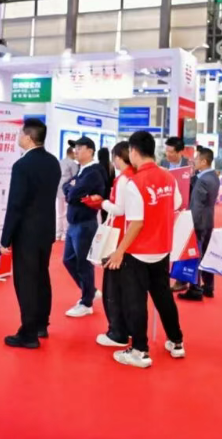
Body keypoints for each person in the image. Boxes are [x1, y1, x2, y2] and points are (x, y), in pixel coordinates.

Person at [105, 131, 185, 369]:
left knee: (135, 301)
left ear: (133, 152)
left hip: (139, 251)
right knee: (163, 297)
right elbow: (177, 203)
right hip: (162, 248)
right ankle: (177, 342)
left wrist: (120, 250)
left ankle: (139, 350)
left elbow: (136, 223)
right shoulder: (168, 176)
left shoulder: (135, 182)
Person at [0, 119, 61, 349]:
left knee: (26, 281)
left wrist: (5, 238)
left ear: (28, 137)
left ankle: (28, 333)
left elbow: (15, 204)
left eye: (20, 134)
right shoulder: (53, 162)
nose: (18, 137)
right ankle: (41, 324)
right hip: (45, 230)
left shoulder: (22, 165)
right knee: (41, 277)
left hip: (27, 232)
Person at [91, 141, 135, 348]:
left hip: (118, 237)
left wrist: (102, 202)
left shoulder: (124, 179)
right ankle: (128, 328)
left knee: (113, 287)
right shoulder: (136, 176)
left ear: (118, 157)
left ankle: (117, 332)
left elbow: (119, 209)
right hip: (130, 237)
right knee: (126, 287)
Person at [62, 136, 107, 318]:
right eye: (75, 148)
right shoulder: (82, 171)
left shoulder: (93, 172)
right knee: (68, 260)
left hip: (85, 223)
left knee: (83, 263)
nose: (76, 151)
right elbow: (66, 187)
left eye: (79, 148)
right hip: (74, 223)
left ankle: (87, 302)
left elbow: (73, 194)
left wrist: (72, 190)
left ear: (89, 150)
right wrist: (71, 190)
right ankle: (90, 291)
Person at [178, 147, 218, 301]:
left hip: (199, 222)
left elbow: (196, 205)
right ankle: (208, 287)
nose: (193, 161)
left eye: (196, 158)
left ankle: (195, 289)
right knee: (206, 254)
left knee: (195, 255)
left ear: (204, 161)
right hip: (208, 220)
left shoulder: (202, 180)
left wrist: (190, 224)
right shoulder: (213, 177)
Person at [57, 147, 78, 241]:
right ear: (71, 153)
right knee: (66, 213)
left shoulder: (60, 162)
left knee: (59, 213)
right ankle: (65, 234)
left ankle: (58, 233)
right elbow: (75, 178)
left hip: (59, 190)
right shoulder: (73, 164)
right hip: (67, 191)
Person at [97, 147, 115, 222]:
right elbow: (113, 180)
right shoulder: (111, 166)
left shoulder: (98, 167)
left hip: (100, 192)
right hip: (108, 192)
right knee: (106, 211)